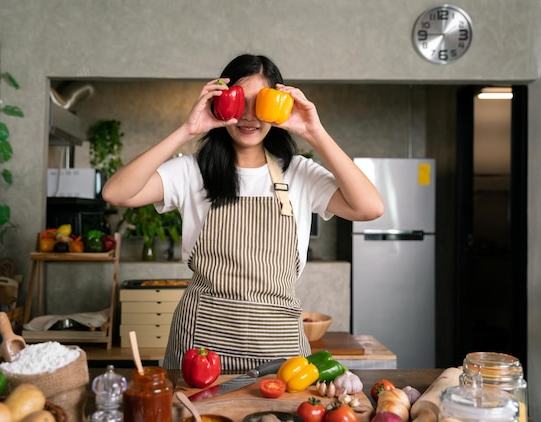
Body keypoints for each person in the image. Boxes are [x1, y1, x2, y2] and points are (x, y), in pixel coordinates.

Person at [101, 54, 384, 371]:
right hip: (201, 349)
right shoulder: (192, 172)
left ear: (277, 105)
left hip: (279, 349)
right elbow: (115, 193)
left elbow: (370, 208)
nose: (249, 117)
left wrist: (314, 132)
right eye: (239, 102)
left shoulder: (299, 173)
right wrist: (187, 129)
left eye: (260, 103)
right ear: (221, 103)